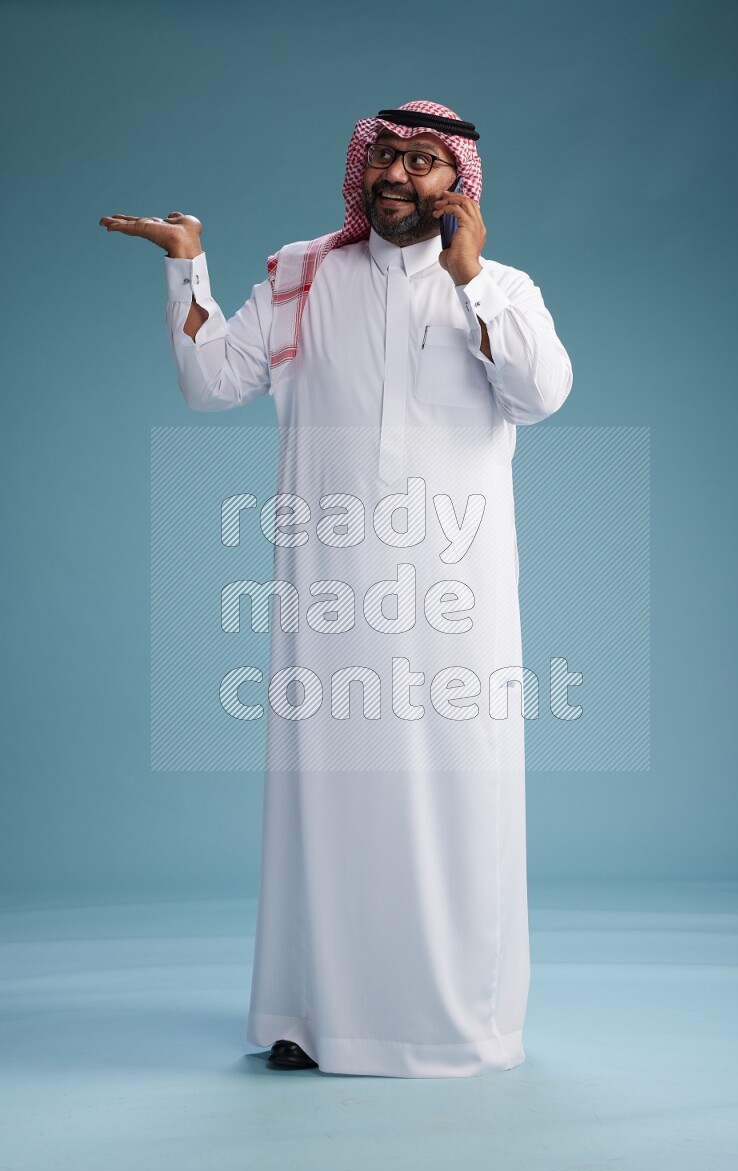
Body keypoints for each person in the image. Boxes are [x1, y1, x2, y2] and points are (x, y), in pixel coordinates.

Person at [99, 99, 573, 1079]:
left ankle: (455, 1023)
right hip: (329, 596)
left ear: (461, 184)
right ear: (360, 171)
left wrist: (470, 277)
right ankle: (313, 1015)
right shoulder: (300, 275)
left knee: (452, 799)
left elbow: (541, 393)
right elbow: (208, 382)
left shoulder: (502, 288)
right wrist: (186, 261)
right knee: (328, 800)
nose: (396, 177)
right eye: (383, 158)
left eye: (422, 163)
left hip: (455, 602)